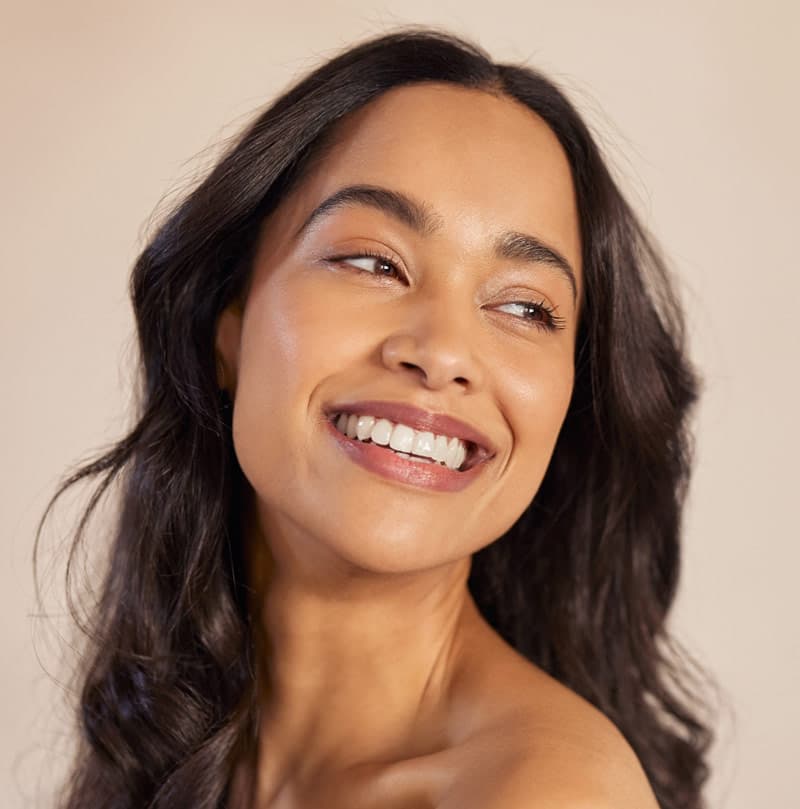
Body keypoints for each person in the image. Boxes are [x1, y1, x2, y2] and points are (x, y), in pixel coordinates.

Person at [39, 26, 713, 809]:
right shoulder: (181, 745)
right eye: (373, 262)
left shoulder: (544, 792)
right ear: (227, 324)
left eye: (525, 306)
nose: (442, 350)